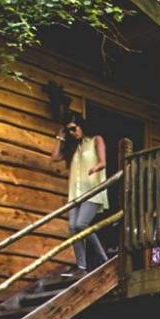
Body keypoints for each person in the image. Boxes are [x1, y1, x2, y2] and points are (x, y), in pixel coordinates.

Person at [54, 114, 109, 271]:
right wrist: (60, 136)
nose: (72, 132)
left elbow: (103, 162)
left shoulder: (96, 140)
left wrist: (96, 167)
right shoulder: (73, 148)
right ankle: (81, 265)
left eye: (73, 128)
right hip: (75, 194)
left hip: (92, 190)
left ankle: (103, 257)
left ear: (81, 125)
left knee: (81, 224)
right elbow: (55, 157)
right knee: (72, 227)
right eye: (69, 130)